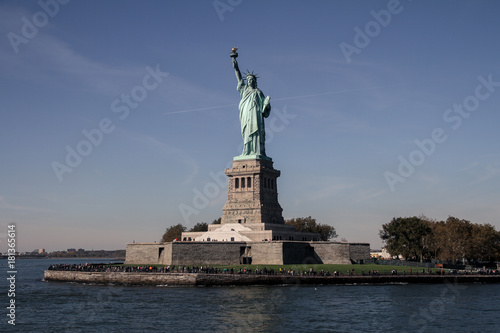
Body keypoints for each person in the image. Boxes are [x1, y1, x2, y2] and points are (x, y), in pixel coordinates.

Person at [232, 56, 271, 157]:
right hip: (246, 114)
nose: (249, 81)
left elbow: (264, 109)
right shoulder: (244, 90)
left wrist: (267, 105)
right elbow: (239, 78)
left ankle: (257, 151)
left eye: (251, 79)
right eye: (248, 79)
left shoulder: (258, 92)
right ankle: (247, 151)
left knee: (257, 132)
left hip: (256, 115)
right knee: (246, 133)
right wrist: (236, 67)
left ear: (255, 81)